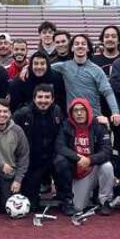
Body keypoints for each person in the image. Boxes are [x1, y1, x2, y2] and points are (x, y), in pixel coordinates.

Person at [13, 84, 75, 215]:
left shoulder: (57, 112)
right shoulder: (23, 114)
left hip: (53, 157)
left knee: (63, 163)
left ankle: (66, 200)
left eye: (47, 97)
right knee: (32, 205)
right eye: (40, 97)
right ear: (34, 99)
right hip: (32, 160)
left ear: (52, 99)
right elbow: (8, 127)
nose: (43, 100)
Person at [55, 97, 114, 214]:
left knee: (107, 166)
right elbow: (60, 146)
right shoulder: (66, 125)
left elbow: (107, 150)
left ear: (88, 111)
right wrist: (79, 158)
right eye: (75, 110)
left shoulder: (98, 125)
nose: (79, 113)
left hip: (94, 166)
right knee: (78, 207)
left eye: (82, 110)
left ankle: (105, 201)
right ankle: (84, 195)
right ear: (71, 113)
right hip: (79, 169)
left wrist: (90, 160)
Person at [52, 34, 120, 124]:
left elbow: (108, 92)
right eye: (76, 44)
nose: (80, 46)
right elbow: (43, 68)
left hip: (94, 118)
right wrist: (27, 68)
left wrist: (115, 112)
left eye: (83, 43)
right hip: (73, 120)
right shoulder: (64, 67)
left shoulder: (97, 70)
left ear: (88, 48)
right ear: (72, 48)